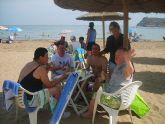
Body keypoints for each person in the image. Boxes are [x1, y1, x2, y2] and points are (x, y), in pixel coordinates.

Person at [82, 48, 135, 118]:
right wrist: (105, 77)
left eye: (119, 55)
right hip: (117, 96)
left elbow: (130, 71)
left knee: (95, 95)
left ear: (124, 57)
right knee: (98, 85)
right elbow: (115, 81)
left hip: (117, 102)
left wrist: (128, 60)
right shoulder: (118, 66)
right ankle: (102, 108)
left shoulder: (125, 67)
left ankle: (90, 113)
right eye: (115, 55)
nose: (116, 57)